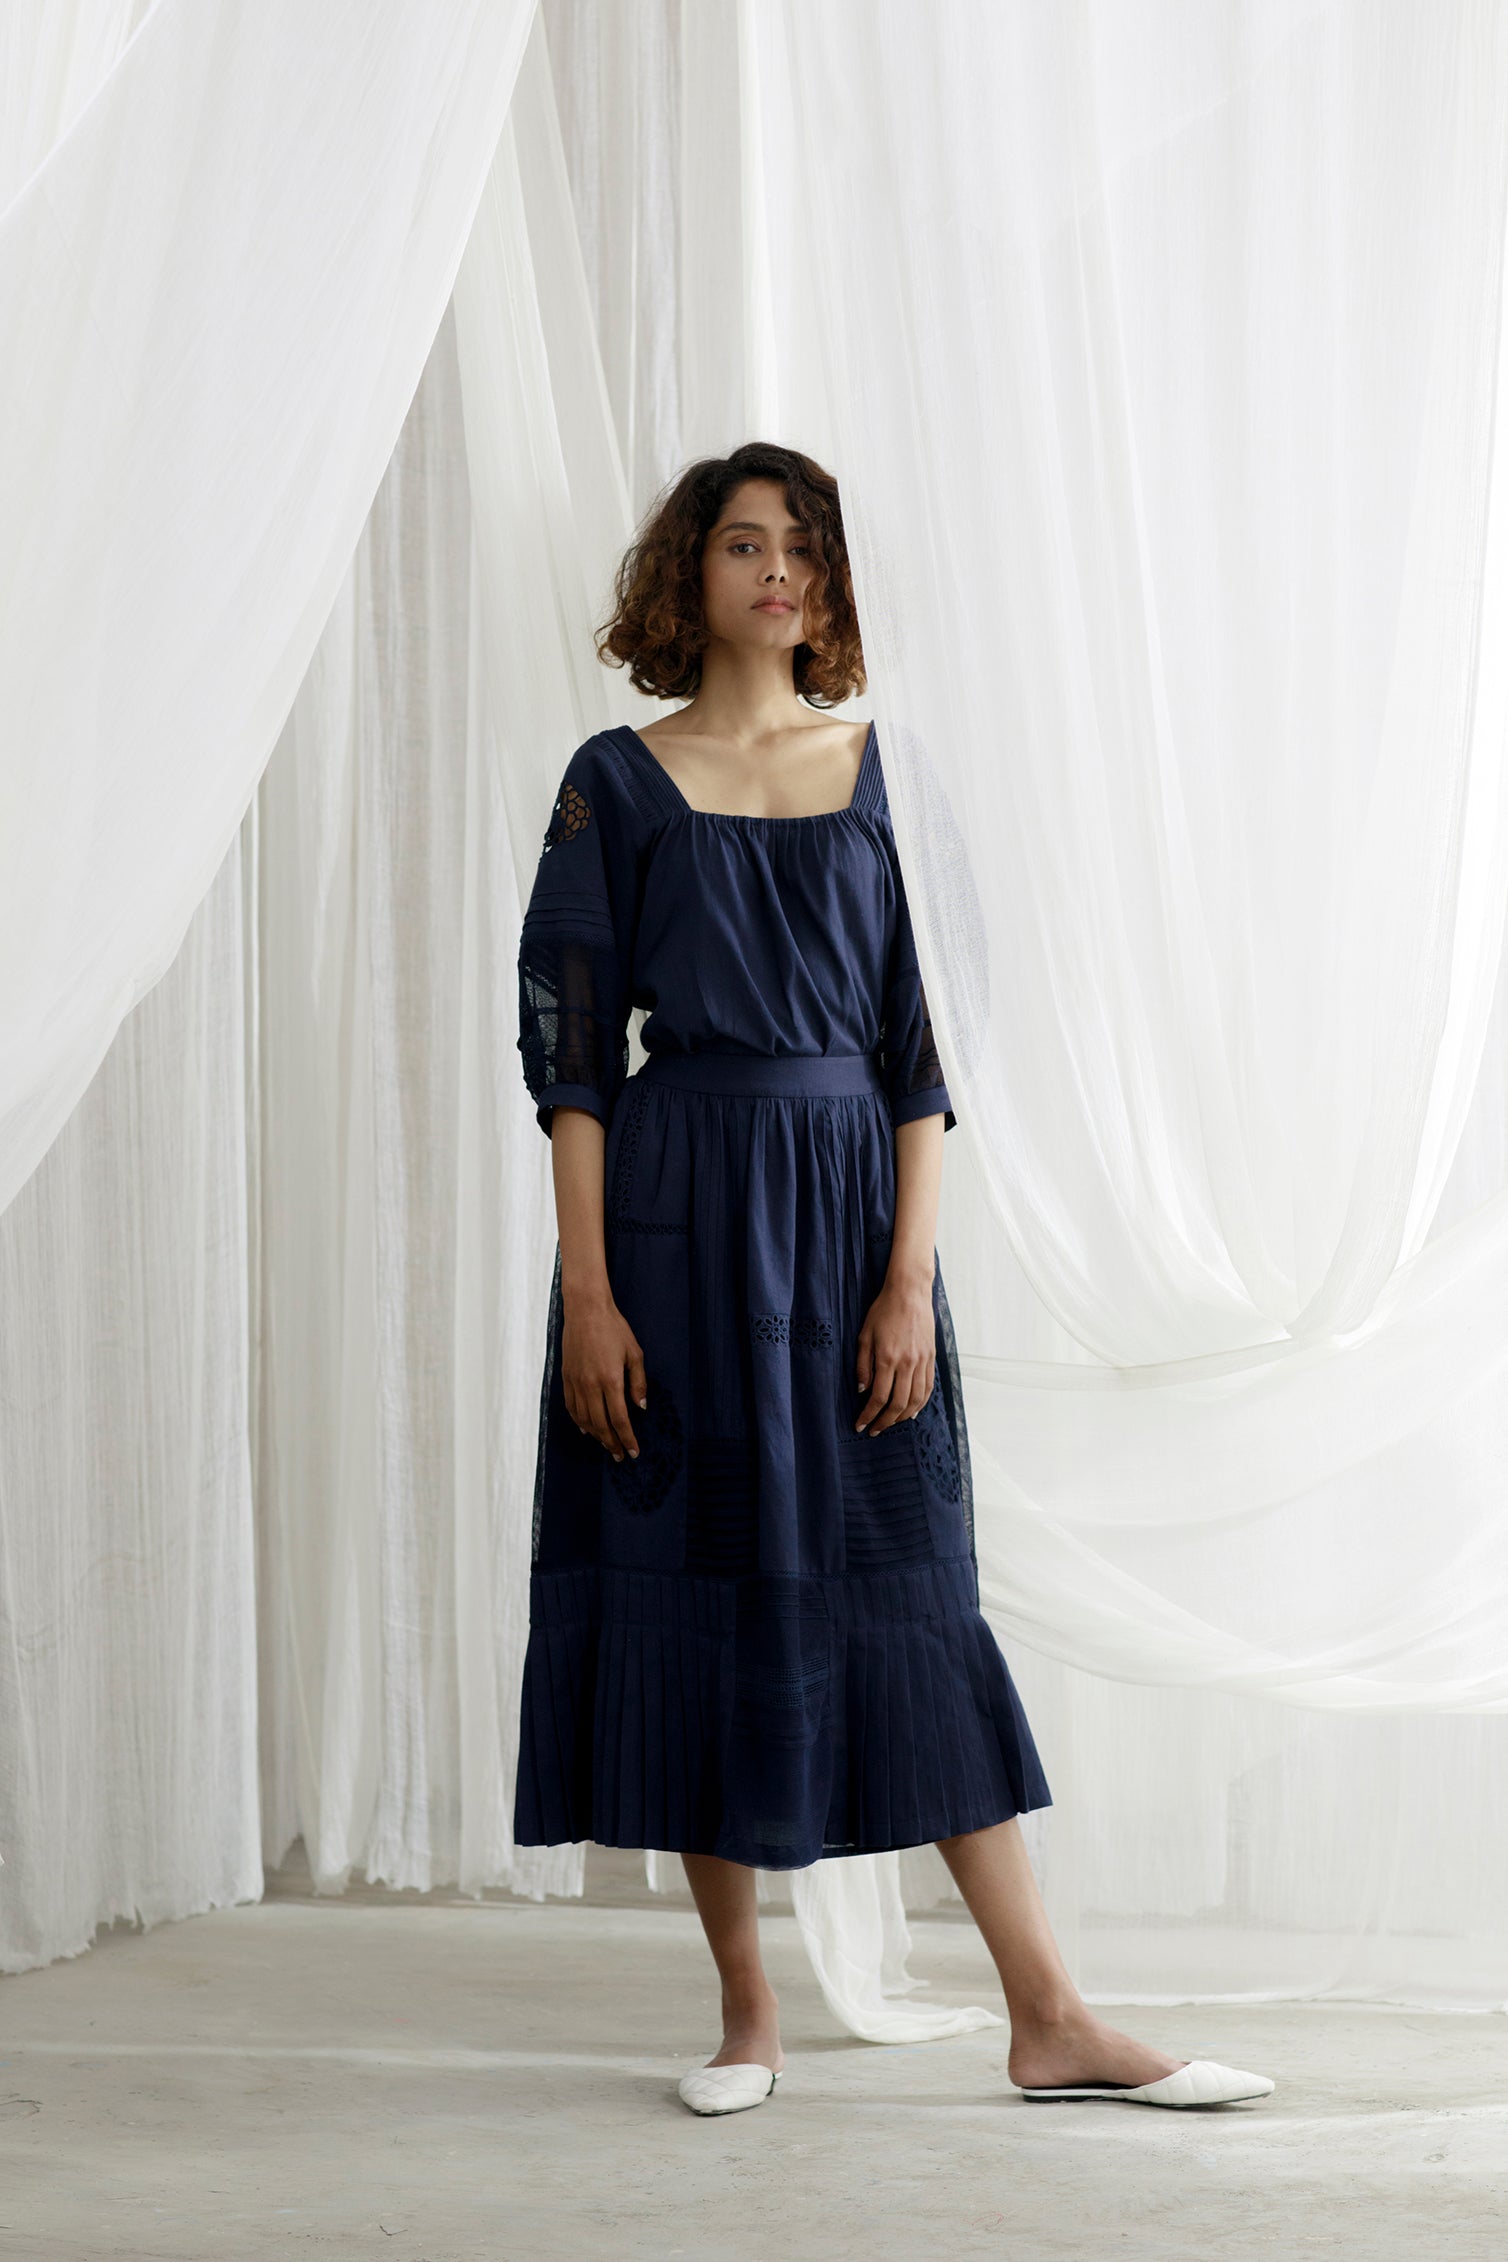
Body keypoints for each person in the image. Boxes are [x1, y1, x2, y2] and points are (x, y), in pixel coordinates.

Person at [513, 440, 1274, 2117]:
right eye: (743, 543)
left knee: (914, 1599)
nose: (777, 569)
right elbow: (570, 1056)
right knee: (703, 1585)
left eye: (803, 546)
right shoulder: (613, 781)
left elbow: (927, 1050)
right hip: (672, 1220)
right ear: (690, 572)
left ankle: (1049, 2013)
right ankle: (746, 2011)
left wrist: (910, 1274)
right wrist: (589, 1292)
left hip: (854, 1217)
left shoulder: (889, 778)